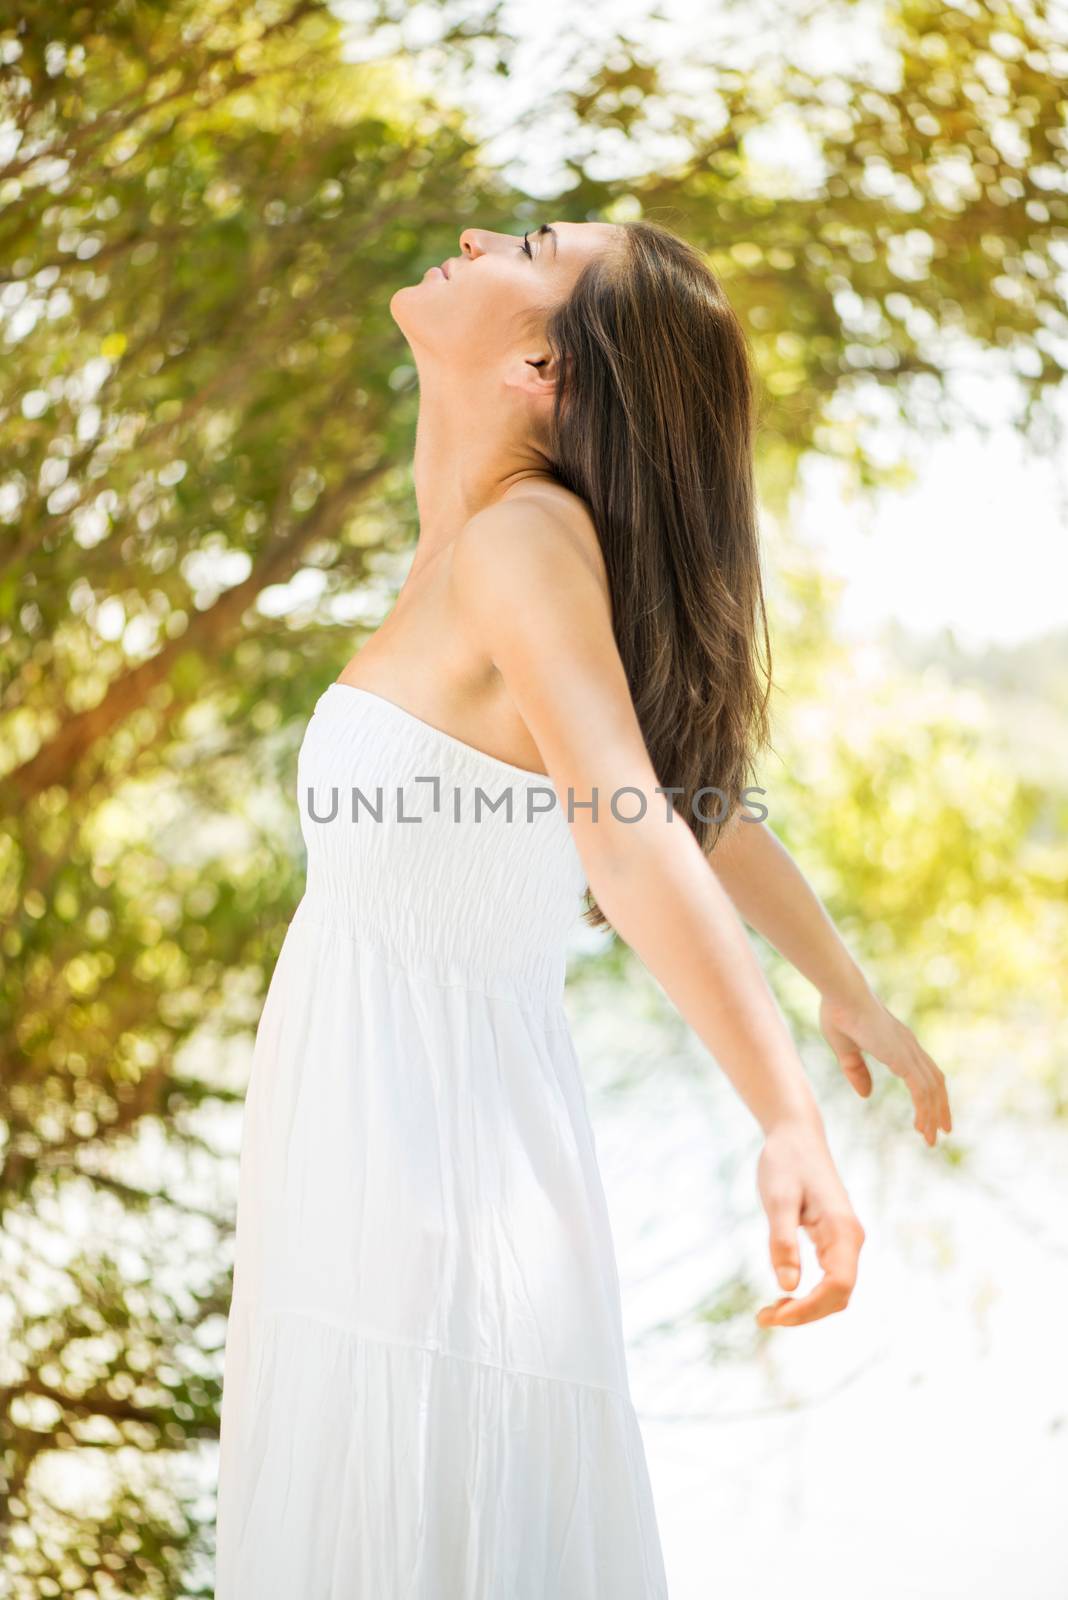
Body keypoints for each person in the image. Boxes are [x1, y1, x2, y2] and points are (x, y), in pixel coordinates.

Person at [214, 217, 952, 1597]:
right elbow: (691, 794)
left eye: (533, 244)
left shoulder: (522, 544)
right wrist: (842, 984)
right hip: (379, 1171)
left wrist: (789, 1118)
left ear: (545, 361)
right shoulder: (472, 547)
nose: (482, 232)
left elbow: (631, 832)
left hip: (440, 1206)